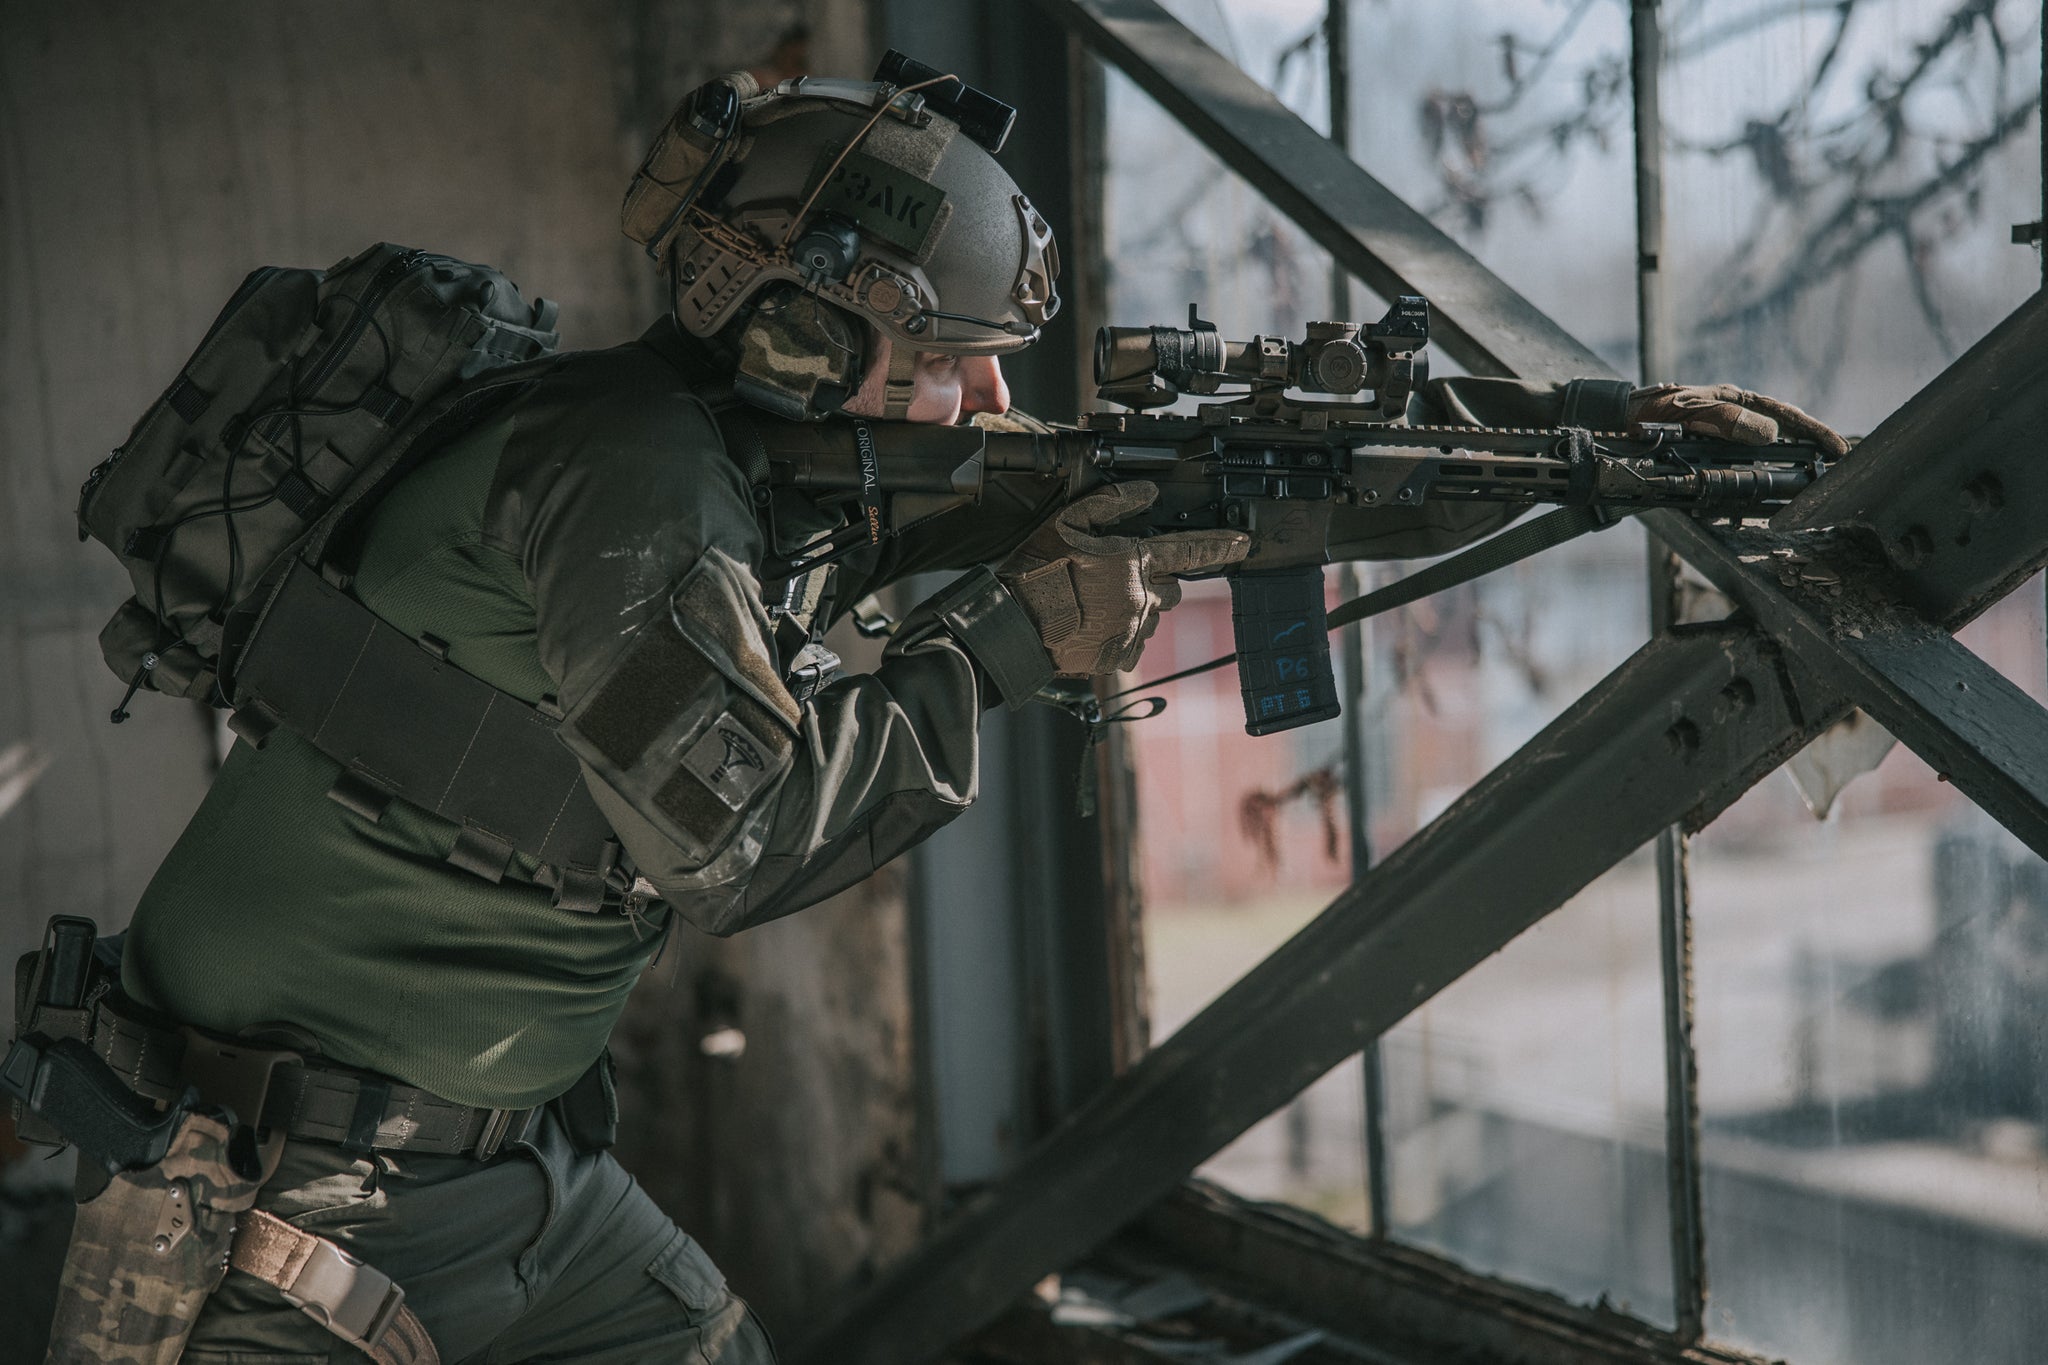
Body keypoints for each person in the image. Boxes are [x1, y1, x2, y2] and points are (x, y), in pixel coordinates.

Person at [47, 56, 1846, 1365]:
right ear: (811, 334)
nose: (993, 387)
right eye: (956, 345)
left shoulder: (721, 467)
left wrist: (1556, 460)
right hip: (256, 1207)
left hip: (489, 1181)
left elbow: (980, 505)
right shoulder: (626, 480)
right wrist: (998, 648)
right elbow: (734, 838)